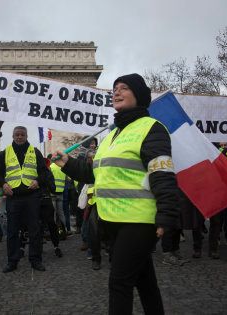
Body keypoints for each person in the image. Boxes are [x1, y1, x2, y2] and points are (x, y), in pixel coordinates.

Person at [54, 73, 179, 314]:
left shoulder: (152, 129)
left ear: (139, 95)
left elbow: (162, 175)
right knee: (145, 282)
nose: (117, 93)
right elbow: (96, 174)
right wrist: (67, 163)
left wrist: (167, 215)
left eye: (124, 88)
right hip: (112, 221)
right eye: (114, 89)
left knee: (119, 283)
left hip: (139, 222)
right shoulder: (111, 135)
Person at [0, 126, 48, 273]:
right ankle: (12, 261)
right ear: (12, 136)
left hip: (32, 196)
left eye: (22, 135)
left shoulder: (35, 151)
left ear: (26, 136)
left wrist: (38, 180)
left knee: (35, 230)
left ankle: (35, 260)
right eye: (17, 134)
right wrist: (3, 184)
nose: (19, 137)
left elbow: (44, 172)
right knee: (12, 231)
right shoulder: (5, 153)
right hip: (14, 197)